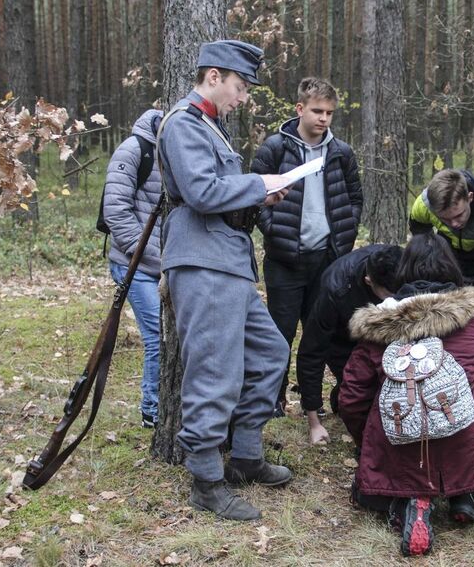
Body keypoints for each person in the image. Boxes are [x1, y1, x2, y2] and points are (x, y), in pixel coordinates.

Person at [158, 40, 294, 521]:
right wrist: (261, 184)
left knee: (270, 353)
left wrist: (259, 197)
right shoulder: (184, 123)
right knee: (214, 372)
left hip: (228, 261)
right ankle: (206, 481)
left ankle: (245, 455)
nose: (242, 98)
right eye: (239, 86)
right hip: (203, 260)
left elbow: (220, 191)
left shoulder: (210, 128)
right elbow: (199, 190)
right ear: (213, 76)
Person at [340, 233, 474, 557]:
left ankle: (414, 502)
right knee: (467, 409)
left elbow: (352, 396)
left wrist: (370, 439)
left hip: (402, 435)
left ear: (404, 270)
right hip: (463, 431)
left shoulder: (379, 324)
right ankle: (463, 494)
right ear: (451, 268)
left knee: (390, 468)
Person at [252, 77, 363, 416]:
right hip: (285, 259)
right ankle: (273, 400)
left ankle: (338, 397)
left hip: (326, 260)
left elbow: (355, 199)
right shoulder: (275, 148)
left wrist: (341, 240)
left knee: (322, 332)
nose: (323, 118)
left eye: (329, 112)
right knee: (279, 334)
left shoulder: (341, 153)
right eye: (317, 110)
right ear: (300, 109)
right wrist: (274, 231)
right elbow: (253, 195)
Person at [408, 168, 474, 404]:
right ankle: (455, 399)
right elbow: (421, 239)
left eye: (458, 216)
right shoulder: (423, 205)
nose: (454, 224)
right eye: (445, 219)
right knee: (451, 337)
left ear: (470, 199)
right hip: (452, 272)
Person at [295, 243, 403, 445]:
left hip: (392, 334)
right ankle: (343, 397)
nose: (394, 301)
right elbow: (311, 352)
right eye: (389, 296)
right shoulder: (335, 288)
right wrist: (314, 423)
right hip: (344, 339)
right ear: (369, 281)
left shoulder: (401, 265)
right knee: (358, 391)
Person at [102, 108, 163, 428]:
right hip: (133, 265)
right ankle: (152, 409)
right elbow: (116, 212)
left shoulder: (175, 150)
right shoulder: (134, 149)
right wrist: (155, 255)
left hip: (168, 265)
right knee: (158, 335)